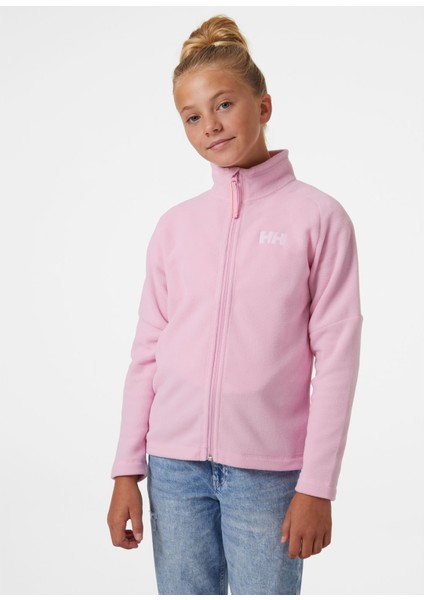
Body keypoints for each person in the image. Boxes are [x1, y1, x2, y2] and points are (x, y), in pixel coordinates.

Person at [107, 14, 363, 595]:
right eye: (192, 116)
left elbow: (338, 361)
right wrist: (127, 469)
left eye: (224, 104)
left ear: (264, 106)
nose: (211, 126)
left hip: (268, 476)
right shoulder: (174, 228)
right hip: (173, 471)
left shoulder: (319, 219)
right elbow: (146, 354)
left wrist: (317, 485)